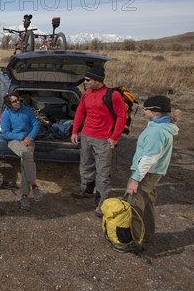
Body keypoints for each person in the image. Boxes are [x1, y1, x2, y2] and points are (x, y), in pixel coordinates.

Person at [70, 66, 127, 217]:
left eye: (88, 80)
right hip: (86, 136)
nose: (85, 82)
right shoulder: (86, 94)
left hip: (103, 139)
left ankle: (102, 203)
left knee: (103, 172)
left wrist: (114, 137)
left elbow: (122, 117)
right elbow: (80, 113)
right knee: (86, 165)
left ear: (98, 80)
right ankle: (86, 190)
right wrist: (75, 131)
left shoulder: (113, 95)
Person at [126, 95, 179, 251]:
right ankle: (147, 234)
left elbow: (149, 158)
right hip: (154, 174)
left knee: (135, 204)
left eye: (146, 109)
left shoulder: (156, 132)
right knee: (147, 203)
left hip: (146, 173)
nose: (143, 111)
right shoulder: (161, 126)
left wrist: (135, 179)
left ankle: (135, 241)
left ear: (156, 112)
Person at [0, 92, 42, 211]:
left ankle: (24, 196)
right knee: (26, 154)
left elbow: (36, 124)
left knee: (25, 161)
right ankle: (34, 185)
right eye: (14, 101)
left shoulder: (27, 110)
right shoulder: (6, 115)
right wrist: (21, 136)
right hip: (14, 140)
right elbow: (5, 134)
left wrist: (30, 137)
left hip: (29, 139)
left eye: (18, 100)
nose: (18, 102)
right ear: (9, 104)